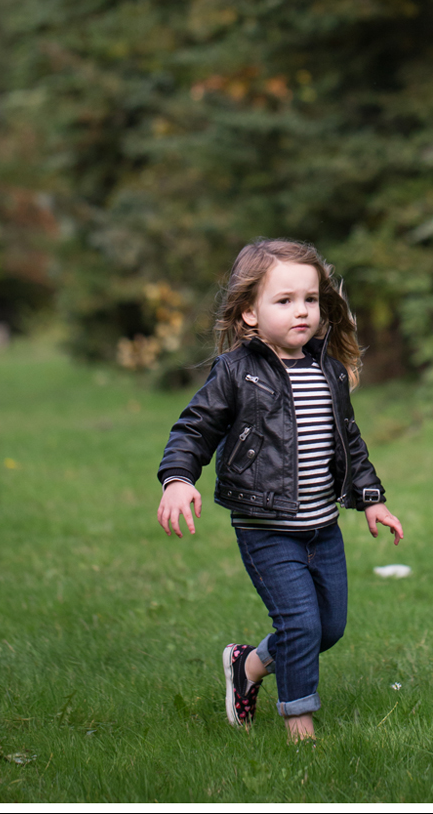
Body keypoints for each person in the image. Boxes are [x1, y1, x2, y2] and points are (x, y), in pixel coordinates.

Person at [156, 238, 403, 741]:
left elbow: (348, 442)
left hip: (322, 528)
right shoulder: (236, 372)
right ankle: (300, 728)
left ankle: (248, 667)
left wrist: (371, 500)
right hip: (266, 527)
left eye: (310, 300)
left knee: (327, 630)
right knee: (300, 625)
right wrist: (178, 478)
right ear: (249, 313)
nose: (302, 311)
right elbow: (194, 428)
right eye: (284, 301)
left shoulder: (326, 370)